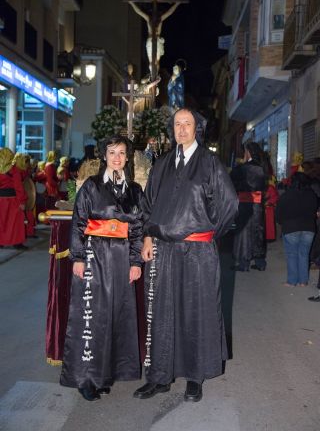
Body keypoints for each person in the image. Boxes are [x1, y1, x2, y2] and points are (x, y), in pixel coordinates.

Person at [133, 108, 238, 402]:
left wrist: (208, 234)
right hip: (163, 251)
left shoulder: (210, 163)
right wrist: (147, 237)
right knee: (161, 313)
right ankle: (159, 376)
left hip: (198, 252)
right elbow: (148, 206)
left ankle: (195, 376)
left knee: (197, 311)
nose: (181, 129)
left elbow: (229, 204)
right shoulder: (163, 164)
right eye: (177, 124)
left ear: (197, 129)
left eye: (187, 124)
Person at [60, 136, 144, 401]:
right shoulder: (91, 187)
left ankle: (106, 373)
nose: (116, 158)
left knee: (116, 316)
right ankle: (86, 377)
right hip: (94, 256)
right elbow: (78, 222)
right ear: (104, 156)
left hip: (120, 260)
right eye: (112, 152)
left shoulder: (134, 191)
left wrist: (135, 261)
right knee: (92, 318)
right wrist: (78, 257)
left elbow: (138, 228)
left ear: (127, 157)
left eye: (121, 153)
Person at [230, 142, 267, 272]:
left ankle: (244, 263)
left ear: (248, 152)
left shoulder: (242, 168)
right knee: (258, 231)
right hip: (258, 204)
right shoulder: (263, 167)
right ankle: (260, 262)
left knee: (244, 232)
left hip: (246, 203)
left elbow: (232, 184)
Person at [276, 172, 317, 287]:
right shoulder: (312, 195)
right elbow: (314, 210)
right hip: (309, 228)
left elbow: (279, 213)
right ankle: (303, 281)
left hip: (291, 228)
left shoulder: (287, 195)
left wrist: (281, 222)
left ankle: (292, 281)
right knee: (304, 254)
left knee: (292, 255)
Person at [0, 148, 27, 249]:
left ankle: (0, 242)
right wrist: (22, 201)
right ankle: (17, 243)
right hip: (12, 200)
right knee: (15, 222)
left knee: (1, 222)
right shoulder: (13, 169)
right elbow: (18, 187)